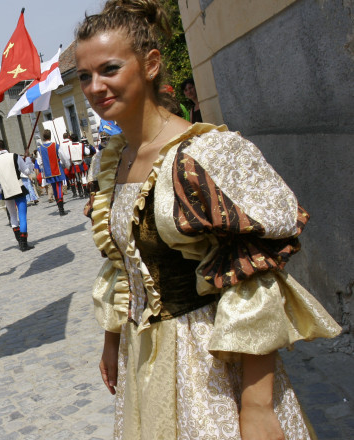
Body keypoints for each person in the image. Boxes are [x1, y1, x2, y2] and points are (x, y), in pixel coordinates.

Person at [75, 1, 341, 438]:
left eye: (109, 69)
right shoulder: (113, 161)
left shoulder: (204, 156)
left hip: (210, 363)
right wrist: (112, 342)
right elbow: (123, 265)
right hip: (143, 359)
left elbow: (252, 281)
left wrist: (256, 406)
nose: (95, 86)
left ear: (151, 64)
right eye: (85, 76)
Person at [0, 139, 35, 251]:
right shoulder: (15, 156)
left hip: (6, 191)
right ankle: (24, 243)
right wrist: (27, 161)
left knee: (13, 215)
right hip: (18, 187)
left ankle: (19, 241)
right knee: (22, 216)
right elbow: (27, 171)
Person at [36, 129, 68, 215]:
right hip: (57, 169)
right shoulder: (55, 145)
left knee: (54, 188)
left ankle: (59, 207)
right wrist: (65, 165)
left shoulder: (40, 148)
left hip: (48, 172)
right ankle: (61, 209)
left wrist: (44, 169)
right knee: (59, 187)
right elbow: (63, 157)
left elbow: (39, 162)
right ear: (50, 136)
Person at [66, 132, 91, 198]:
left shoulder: (69, 146)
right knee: (83, 177)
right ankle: (86, 192)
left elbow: (68, 156)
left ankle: (80, 192)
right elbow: (87, 152)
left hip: (74, 163)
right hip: (81, 162)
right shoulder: (81, 145)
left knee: (77, 178)